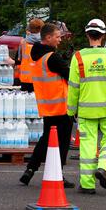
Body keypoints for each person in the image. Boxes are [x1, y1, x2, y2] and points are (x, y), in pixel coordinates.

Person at [67, 19, 106, 194]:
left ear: (87, 34)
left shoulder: (78, 57)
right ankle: (103, 167)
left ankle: (87, 185)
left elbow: (73, 87)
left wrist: (71, 110)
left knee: (87, 145)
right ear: (103, 35)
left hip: (86, 110)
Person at [19, 23, 75, 188]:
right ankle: (58, 175)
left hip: (47, 106)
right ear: (48, 37)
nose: (59, 40)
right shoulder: (52, 58)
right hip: (61, 106)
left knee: (45, 140)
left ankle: (30, 169)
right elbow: (70, 76)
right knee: (62, 143)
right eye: (57, 37)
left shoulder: (37, 56)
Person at [5, 19, 44, 93]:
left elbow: (20, 60)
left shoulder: (23, 42)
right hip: (40, 79)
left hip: (26, 80)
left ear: (29, 29)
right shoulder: (44, 42)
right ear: (41, 29)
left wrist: (13, 62)